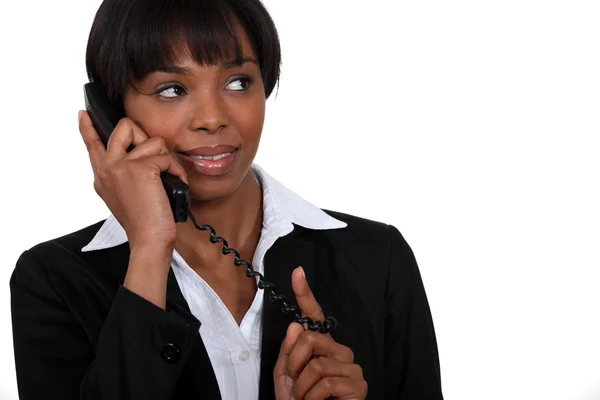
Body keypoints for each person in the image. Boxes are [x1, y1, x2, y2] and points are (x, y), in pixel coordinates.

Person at [9, 0, 443, 399]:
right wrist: (149, 250)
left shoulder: (376, 260)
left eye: (238, 82)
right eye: (172, 89)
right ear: (111, 111)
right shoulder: (54, 280)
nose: (213, 119)